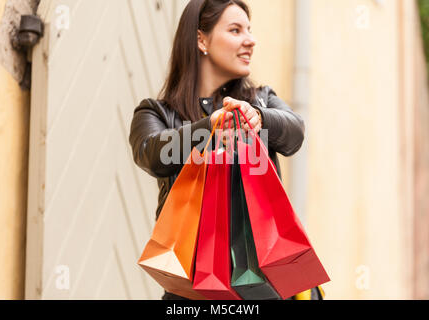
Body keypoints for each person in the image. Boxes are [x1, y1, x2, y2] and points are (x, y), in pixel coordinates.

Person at [129, 0, 320, 300]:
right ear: (200, 39)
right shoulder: (156, 113)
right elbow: (151, 153)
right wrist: (209, 128)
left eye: (250, 30)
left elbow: (295, 132)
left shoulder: (262, 100)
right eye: (235, 30)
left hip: (265, 285)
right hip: (191, 290)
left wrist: (259, 117)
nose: (250, 40)